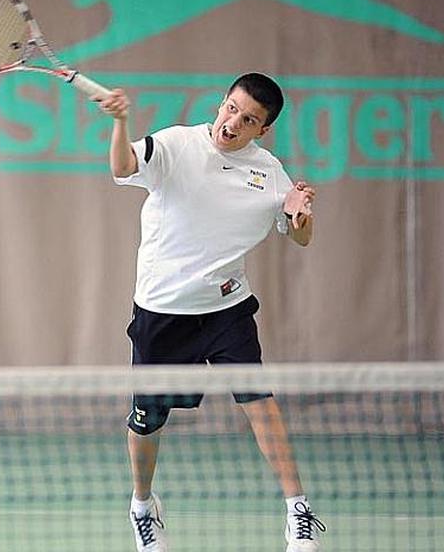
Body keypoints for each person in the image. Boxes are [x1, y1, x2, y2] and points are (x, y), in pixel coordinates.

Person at [95, 73, 325, 552]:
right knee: (147, 420)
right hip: (162, 310)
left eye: (249, 120)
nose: (233, 123)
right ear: (221, 104)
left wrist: (302, 213)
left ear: (262, 130)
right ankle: (142, 506)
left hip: (226, 308)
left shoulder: (269, 171)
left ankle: (298, 510)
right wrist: (120, 123)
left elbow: (299, 236)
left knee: (260, 402)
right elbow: (121, 167)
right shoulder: (177, 145)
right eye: (231, 109)